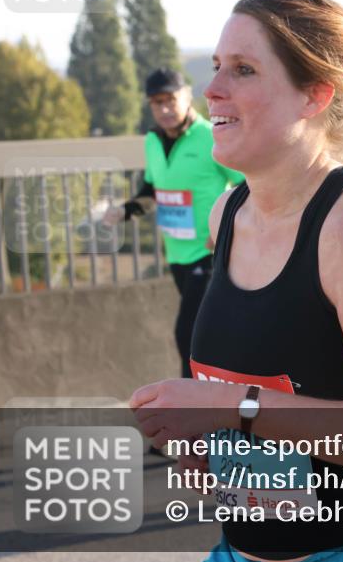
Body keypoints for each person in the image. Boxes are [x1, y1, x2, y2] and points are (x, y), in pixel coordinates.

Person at [129, 0, 343, 562]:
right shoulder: (227, 215)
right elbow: (269, 400)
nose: (212, 90)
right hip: (244, 556)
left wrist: (229, 407)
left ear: (314, 95)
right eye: (215, 67)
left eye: (243, 70)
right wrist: (205, 442)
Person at [103, 68, 244, 379]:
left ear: (186, 96)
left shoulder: (212, 135)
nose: (164, 109)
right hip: (176, 256)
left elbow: (246, 186)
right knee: (208, 335)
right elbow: (153, 191)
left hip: (209, 254)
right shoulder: (152, 141)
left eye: (171, 100)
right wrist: (123, 212)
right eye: (156, 102)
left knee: (188, 333)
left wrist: (221, 229)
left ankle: (190, 412)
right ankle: (222, 398)